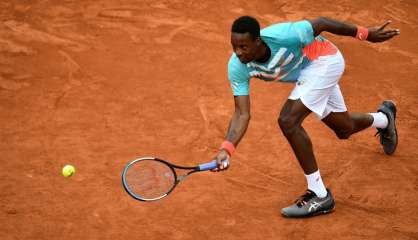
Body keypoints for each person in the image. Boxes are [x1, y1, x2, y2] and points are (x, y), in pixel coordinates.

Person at [213, 16, 400, 218]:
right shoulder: (237, 66)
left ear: (258, 41)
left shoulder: (285, 35)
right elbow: (242, 113)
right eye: (234, 47)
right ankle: (385, 118)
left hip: (324, 60)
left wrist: (365, 33)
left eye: (243, 47)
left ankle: (319, 195)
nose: (238, 53)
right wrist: (227, 148)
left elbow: (322, 23)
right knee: (344, 128)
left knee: (288, 120)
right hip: (306, 74)